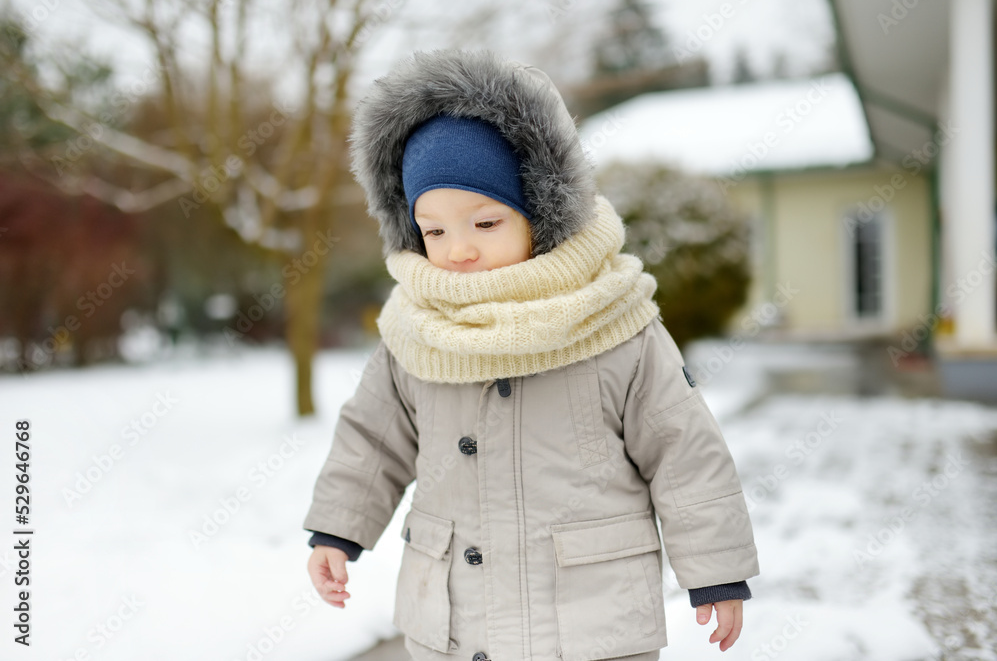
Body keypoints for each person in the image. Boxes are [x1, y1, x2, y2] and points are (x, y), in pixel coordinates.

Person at [303, 48, 759, 661]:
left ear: (538, 214)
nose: (458, 249)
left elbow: (683, 449)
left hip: (591, 626)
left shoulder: (613, 320)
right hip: (459, 625)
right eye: (434, 230)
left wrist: (715, 569)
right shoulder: (415, 330)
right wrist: (338, 528)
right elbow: (372, 437)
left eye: (485, 223)